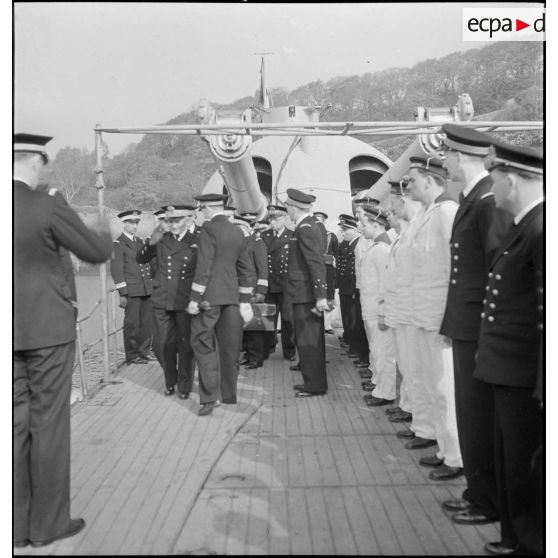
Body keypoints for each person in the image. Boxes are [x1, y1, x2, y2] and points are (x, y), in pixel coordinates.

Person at [13, 133, 112, 548]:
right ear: (35, 160)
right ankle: (48, 525)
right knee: (48, 423)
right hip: (48, 331)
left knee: (13, 427)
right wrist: (105, 230)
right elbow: (94, 251)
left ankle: (13, 527)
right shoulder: (47, 202)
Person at [439, 124, 511, 525]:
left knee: (479, 414)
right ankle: (477, 491)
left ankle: (487, 500)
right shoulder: (475, 198)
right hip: (467, 324)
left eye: (447, 154)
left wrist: (488, 332)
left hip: (479, 327)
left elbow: (496, 272)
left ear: (461, 156)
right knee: (471, 413)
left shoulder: (485, 201)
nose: (444, 161)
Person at [474, 142, 543, 556]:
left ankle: (532, 544)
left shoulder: (541, 229)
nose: (492, 189)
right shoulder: (526, 224)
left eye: (496, 180)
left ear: (512, 180)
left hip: (526, 378)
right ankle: (518, 538)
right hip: (509, 371)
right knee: (513, 465)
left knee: (527, 468)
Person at [405, 156, 463, 481]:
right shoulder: (427, 214)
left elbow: (457, 269)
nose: (408, 185)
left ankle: (456, 458)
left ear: (429, 180)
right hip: (424, 315)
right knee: (433, 385)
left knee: (445, 389)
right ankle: (444, 449)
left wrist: (452, 319)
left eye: (413, 179)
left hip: (441, 317)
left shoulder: (447, 213)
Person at [187, 193, 254, 416]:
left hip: (209, 298)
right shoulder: (237, 231)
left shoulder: (207, 229)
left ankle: (209, 398)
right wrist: (244, 300)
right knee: (230, 346)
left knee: (203, 344)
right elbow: (245, 269)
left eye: (202, 208)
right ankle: (229, 394)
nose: (202, 212)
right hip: (232, 298)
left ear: (207, 208)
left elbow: (204, 266)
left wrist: (195, 299)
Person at [137, 205, 200, 398]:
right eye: (169, 220)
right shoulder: (161, 239)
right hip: (162, 299)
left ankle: (184, 385)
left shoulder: (197, 240)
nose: (172, 224)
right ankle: (170, 381)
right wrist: (154, 236)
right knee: (164, 344)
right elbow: (141, 258)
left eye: (176, 220)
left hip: (184, 299)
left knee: (186, 345)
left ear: (189, 219)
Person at [376, 179, 420, 424]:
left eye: (393, 209)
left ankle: (415, 412)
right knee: (405, 365)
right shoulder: (399, 238)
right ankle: (408, 406)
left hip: (410, 312)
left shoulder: (412, 234)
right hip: (398, 311)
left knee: (413, 368)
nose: (390, 215)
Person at [283, 188, 329, 397]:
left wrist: (320, 297)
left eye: (287, 207)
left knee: (309, 341)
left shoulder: (306, 228)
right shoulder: (305, 226)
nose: (287, 210)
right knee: (306, 340)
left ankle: (315, 385)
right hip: (302, 293)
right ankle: (311, 381)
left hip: (306, 295)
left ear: (294, 207)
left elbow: (315, 263)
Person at [358, 207, 397, 407]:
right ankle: (379, 385)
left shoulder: (382, 249)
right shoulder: (376, 246)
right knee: (377, 350)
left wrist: (383, 312)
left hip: (378, 311)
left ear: (376, 225)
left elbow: (386, 283)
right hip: (371, 309)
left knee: (384, 352)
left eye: (363, 224)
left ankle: (385, 392)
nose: (360, 227)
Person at [110, 210, 155, 364]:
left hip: (146, 288)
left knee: (146, 323)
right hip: (132, 290)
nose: (135, 226)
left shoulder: (140, 242)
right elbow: (116, 269)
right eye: (132, 223)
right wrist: (123, 293)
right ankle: (132, 354)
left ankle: (144, 351)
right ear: (124, 224)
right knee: (132, 324)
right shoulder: (118, 244)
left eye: (137, 223)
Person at [259, 205, 296, 361]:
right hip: (269, 283)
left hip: (286, 285)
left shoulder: (293, 236)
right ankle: (268, 347)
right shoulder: (263, 235)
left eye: (276, 219)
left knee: (288, 319)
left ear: (285, 219)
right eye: (271, 219)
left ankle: (289, 351)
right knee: (267, 318)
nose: (273, 222)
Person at [235, 213, 269, 369]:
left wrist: (261, 291)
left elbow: (263, 270)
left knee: (254, 325)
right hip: (239, 289)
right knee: (244, 324)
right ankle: (249, 354)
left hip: (253, 290)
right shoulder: (238, 242)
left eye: (237, 227)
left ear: (245, 227)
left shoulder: (257, 243)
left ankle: (256, 357)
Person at [335, 214, 360, 358]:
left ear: (354, 230)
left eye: (345, 230)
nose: (342, 233)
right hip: (345, 285)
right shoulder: (345, 244)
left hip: (352, 286)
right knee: (346, 315)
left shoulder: (358, 244)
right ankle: (349, 339)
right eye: (342, 230)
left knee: (353, 317)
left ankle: (354, 344)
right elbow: (340, 265)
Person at [313, 211, 338, 334]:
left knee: (328, 295)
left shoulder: (331, 236)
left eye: (320, 221)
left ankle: (327, 325)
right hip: (314, 268)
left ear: (324, 222)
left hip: (327, 269)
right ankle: (315, 323)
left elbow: (337, 255)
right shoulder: (310, 235)